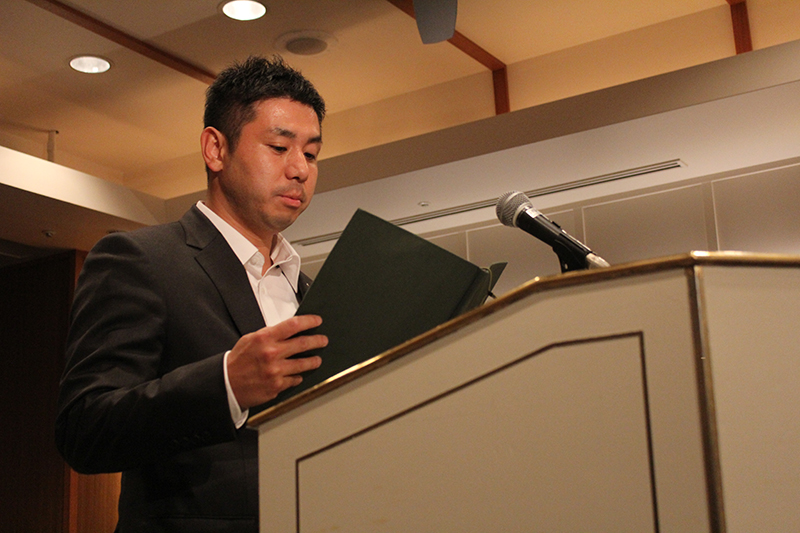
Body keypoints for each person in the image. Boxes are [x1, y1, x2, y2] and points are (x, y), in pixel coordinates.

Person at [55, 56, 330, 532]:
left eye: (311, 153)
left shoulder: (306, 287)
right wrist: (226, 385)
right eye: (278, 147)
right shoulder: (138, 260)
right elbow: (85, 429)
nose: (299, 169)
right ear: (215, 149)